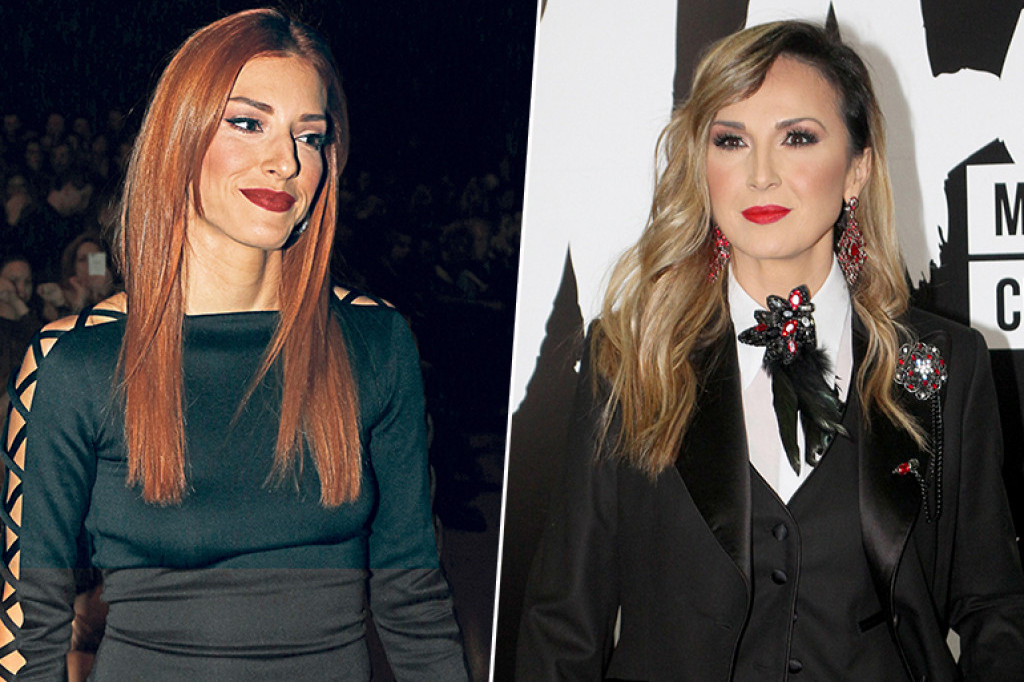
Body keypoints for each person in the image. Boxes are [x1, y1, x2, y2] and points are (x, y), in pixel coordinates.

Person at [516, 20, 1024, 682]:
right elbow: (563, 628)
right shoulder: (630, 359)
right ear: (703, 167)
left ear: (857, 169)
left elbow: (995, 608)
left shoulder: (942, 367)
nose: (760, 175)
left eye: (797, 138)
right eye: (731, 141)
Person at [1, 9, 467, 680]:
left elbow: (415, 602)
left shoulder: (375, 343)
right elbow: (28, 631)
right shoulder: (75, 363)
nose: (286, 162)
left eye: (310, 136)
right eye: (248, 123)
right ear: (180, 137)